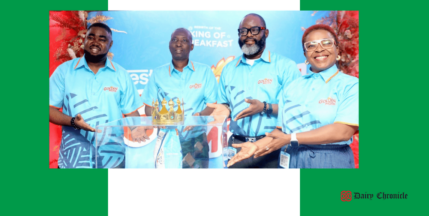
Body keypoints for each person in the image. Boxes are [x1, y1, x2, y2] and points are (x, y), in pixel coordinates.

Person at [227, 24, 358, 168]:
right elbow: (281, 131)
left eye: (326, 43)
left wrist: (290, 138)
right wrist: (256, 146)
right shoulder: (293, 86)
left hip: (330, 160)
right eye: (311, 45)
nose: (319, 49)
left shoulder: (351, 85)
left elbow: (343, 131)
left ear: (337, 48)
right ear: (305, 54)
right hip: (290, 158)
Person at [208, 13, 302, 168]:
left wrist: (265, 107)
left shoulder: (286, 67)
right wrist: (225, 110)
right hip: (237, 148)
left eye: (255, 30)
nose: (248, 35)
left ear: (266, 32)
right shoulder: (228, 69)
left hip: (275, 145)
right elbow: (226, 104)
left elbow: (296, 111)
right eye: (243, 31)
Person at [49, 22, 143, 168]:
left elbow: (132, 115)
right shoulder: (64, 71)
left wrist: (139, 132)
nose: (95, 42)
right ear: (84, 40)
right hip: (73, 161)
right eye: (91, 37)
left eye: (102, 39)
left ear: (110, 44)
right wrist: (73, 122)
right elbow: (49, 110)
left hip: (112, 160)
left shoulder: (121, 75)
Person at [140, 28, 218, 168]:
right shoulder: (158, 74)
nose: (179, 44)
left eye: (184, 40)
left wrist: (199, 116)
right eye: (175, 40)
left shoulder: (204, 72)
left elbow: (212, 105)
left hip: (196, 140)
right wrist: (159, 118)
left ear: (191, 46)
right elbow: (148, 108)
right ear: (169, 45)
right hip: (168, 139)